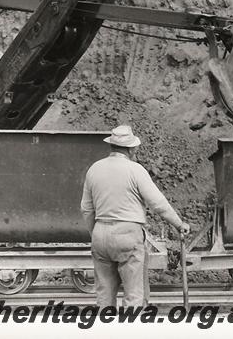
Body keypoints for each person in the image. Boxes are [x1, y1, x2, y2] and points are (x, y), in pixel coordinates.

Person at [80, 125, 190, 307]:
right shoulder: (135, 170)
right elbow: (158, 204)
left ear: (111, 146)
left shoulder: (94, 169)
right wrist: (179, 224)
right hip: (128, 235)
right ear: (131, 148)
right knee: (134, 296)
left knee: (104, 295)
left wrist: (97, 233)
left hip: (100, 233)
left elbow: (86, 209)